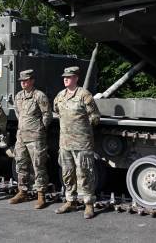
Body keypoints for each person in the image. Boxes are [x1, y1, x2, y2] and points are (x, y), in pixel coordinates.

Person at [53, 66, 100, 219]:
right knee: (67, 174)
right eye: (64, 77)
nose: (65, 79)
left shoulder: (84, 95)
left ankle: (88, 204)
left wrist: (82, 130)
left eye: (69, 76)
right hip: (65, 143)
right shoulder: (60, 96)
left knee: (85, 174)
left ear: (76, 78)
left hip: (82, 143)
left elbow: (95, 117)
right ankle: (70, 200)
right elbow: (57, 111)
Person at [8, 69, 52, 209]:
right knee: (21, 164)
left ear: (32, 81)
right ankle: (22, 192)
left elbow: (47, 115)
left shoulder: (39, 96)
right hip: (21, 136)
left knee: (38, 165)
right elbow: (18, 113)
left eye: (26, 80)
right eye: (21, 81)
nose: (23, 83)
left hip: (35, 138)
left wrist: (40, 129)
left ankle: (41, 195)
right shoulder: (19, 96)